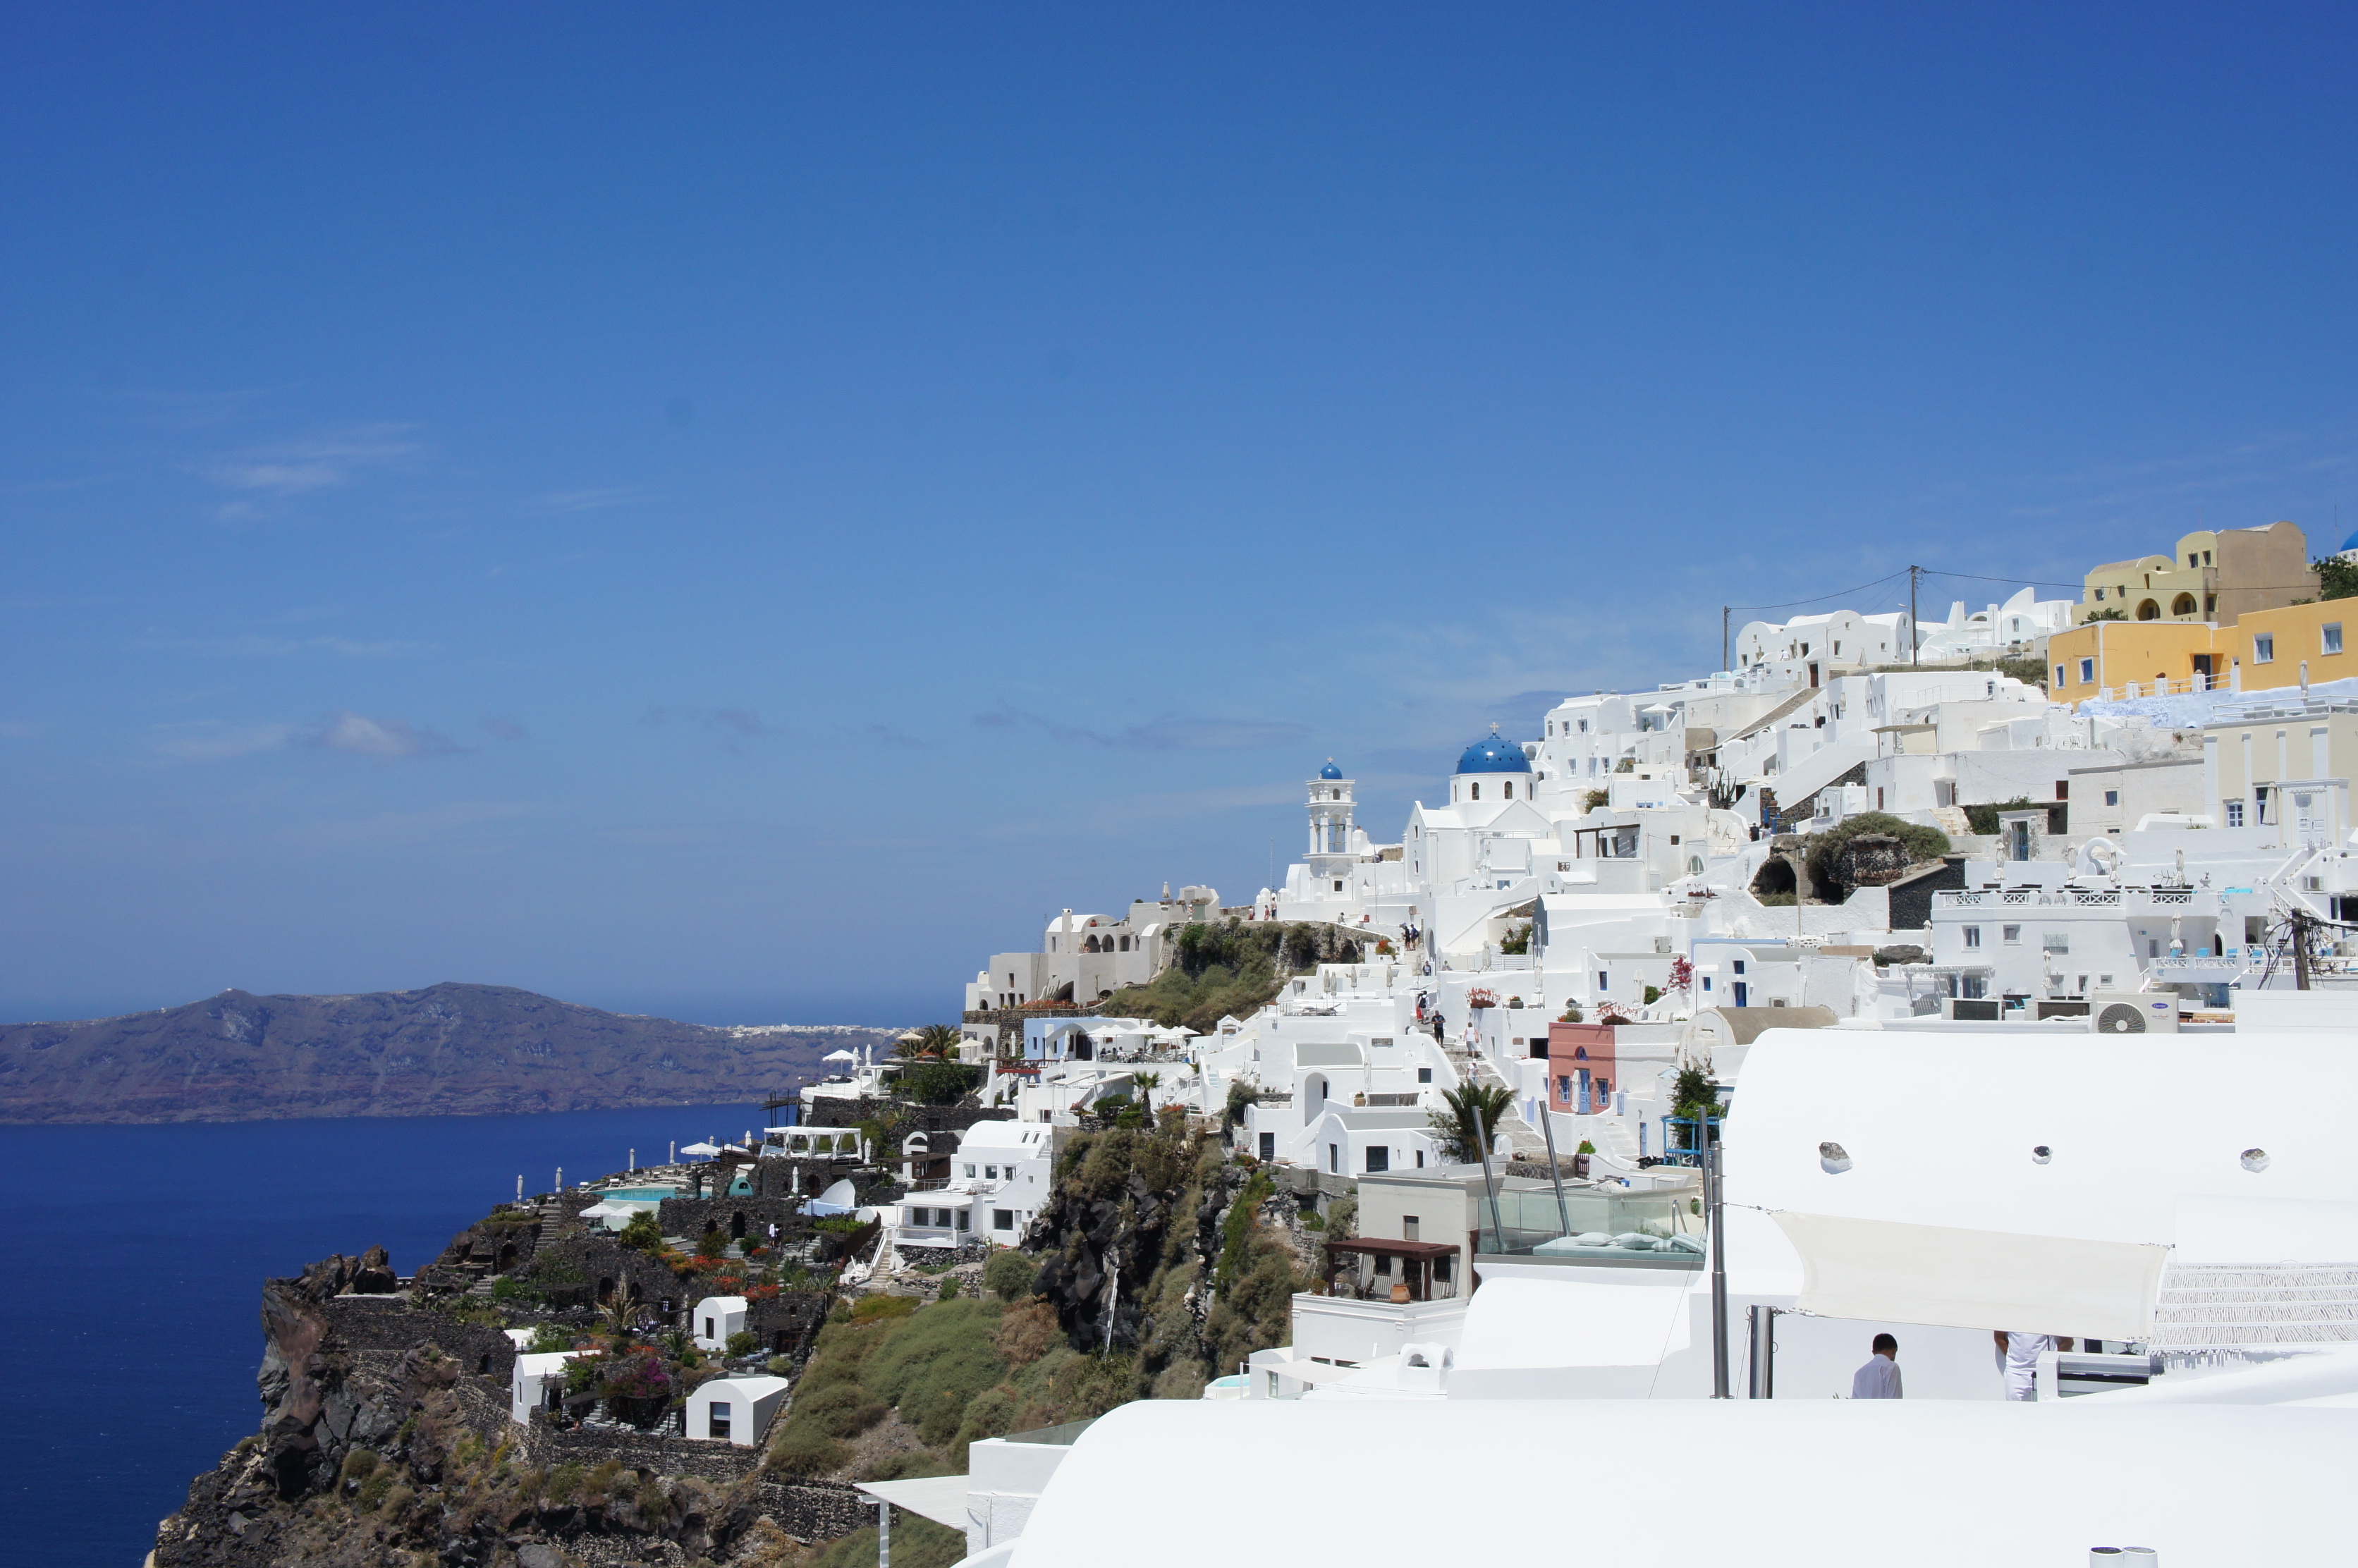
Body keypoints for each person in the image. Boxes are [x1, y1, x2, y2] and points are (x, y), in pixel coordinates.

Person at [1994, 1330, 2074, 1399]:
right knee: (2015, 1411)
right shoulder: (2010, 1315)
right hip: (2016, 1373)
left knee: (2047, 1411)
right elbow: (1999, 1337)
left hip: (2046, 1373)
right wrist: (2013, 1357)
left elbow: (2068, 1342)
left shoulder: (2051, 1315)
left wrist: (2052, 1363)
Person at [1851, 1333, 1902, 1398]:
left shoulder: (1859, 1373)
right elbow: (1894, 1399)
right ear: (1894, 1350)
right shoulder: (1891, 1367)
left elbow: (1855, 1403)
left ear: (1873, 1352)